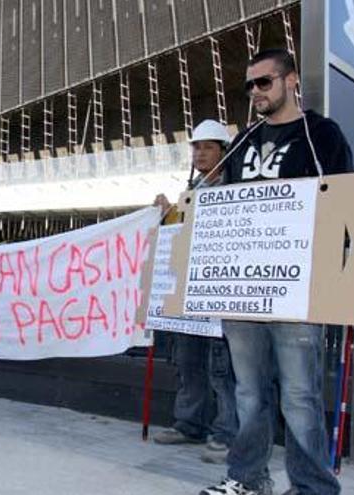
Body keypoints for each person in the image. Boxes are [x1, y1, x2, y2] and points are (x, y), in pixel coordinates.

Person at [200, 48, 351, 495]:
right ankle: (248, 479)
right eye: (249, 86)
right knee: (248, 392)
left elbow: (340, 201)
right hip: (242, 288)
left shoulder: (320, 133)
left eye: (264, 82)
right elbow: (214, 200)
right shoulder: (245, 140)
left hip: (295, 287)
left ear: (291, 81)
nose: (256, 93)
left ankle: (312, 488)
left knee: (300, 395)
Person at [152, 120, 238, 465]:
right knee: (189, 362)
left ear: (223, 151)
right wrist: (166, 214)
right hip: (190, 293)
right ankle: (190, 424)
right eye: (197, 148)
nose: (200, 153)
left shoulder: (237, 189)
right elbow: (179, 234)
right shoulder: (192, 190)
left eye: (208, 147)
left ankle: (227, 434)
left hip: (220, 292)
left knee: (222, 368)